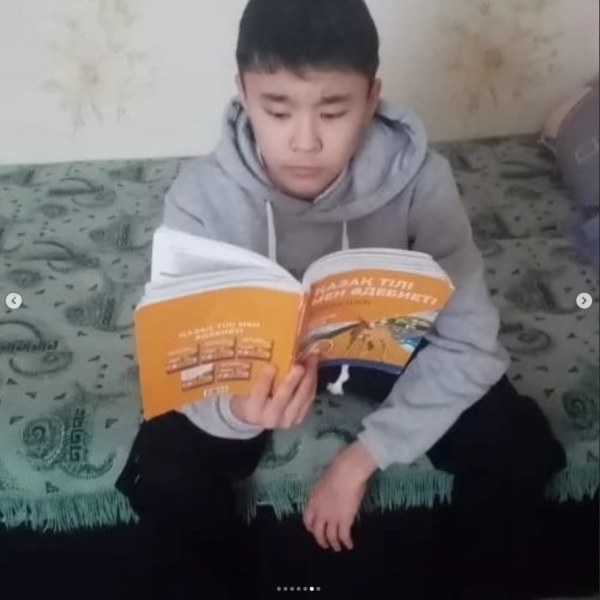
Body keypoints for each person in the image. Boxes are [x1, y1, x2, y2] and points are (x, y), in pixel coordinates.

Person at [117, 0, 566, 597]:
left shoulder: (420, 179)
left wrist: (361, 459)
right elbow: (176, 363)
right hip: (256, 373)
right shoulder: (200, 197)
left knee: (518, 444)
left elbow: (471, 344)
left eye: (333, 111)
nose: (304, 141)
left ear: (372, 97)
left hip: (387, 351)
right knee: (165, 467)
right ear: (243, 94)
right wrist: (238, 413)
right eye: (278, 110)